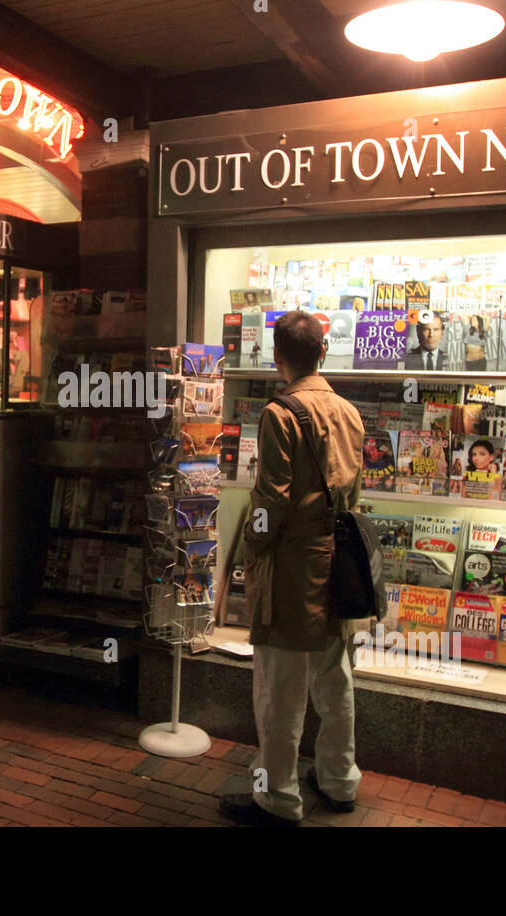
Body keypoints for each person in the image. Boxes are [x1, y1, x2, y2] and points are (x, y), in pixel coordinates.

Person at [220, 310, 364, 827]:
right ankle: (339, 780)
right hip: (338, 562)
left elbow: (271, 499)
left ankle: (278, 797)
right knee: (334, 675)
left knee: (280, 685)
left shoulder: (280, 413)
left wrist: (252, 548)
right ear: (322, 352)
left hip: (292, 566)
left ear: (276, 355)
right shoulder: (348, 410)